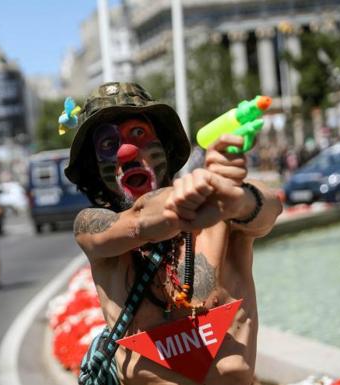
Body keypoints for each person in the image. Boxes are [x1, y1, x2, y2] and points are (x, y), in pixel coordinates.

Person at [64, 83, 282, 385]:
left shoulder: (219, 214)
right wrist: (182, 204)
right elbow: (139, 219)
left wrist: (237, 198)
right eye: (107, 145)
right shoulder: (95, 228)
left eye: (138, 134)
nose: (126, 152)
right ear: (94, 167)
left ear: (165, 146)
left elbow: (267, 208)